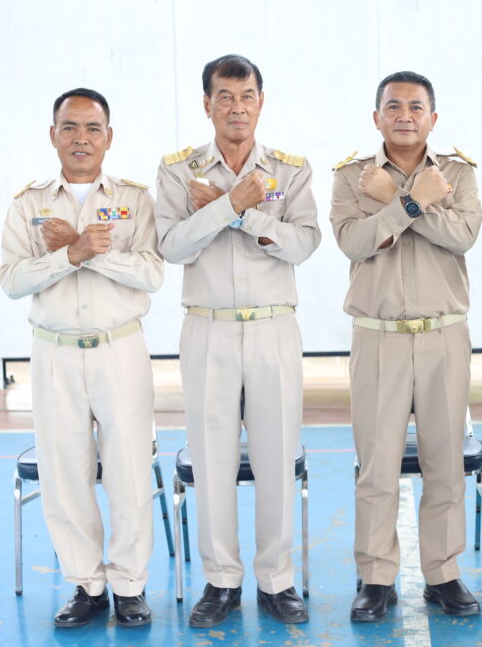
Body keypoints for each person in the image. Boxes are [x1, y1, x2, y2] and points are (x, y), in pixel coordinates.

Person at [155, 54, 319, 626]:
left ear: (261, 102)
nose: (237, 107)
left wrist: (239, 215)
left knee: (277, 456)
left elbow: (303, 244)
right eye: (224, 97)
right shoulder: (179, 171)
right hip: (209, 327)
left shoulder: (290, 170)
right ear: (207, 105)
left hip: (273, 326)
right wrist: (230, 204)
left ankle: (277, 580)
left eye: (247, 96)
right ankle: (221, 580)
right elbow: (171, 246)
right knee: (211, 459)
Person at [0, 88, 164, 628]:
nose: (81, 138)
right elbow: (11, 280)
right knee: (65, 474)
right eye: (69, 127)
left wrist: (91, 252)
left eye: (93, 128)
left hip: (120, 347)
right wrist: (70, 254)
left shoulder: (134, 199)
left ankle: (129, 586)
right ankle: (86, 585)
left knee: (129, 472)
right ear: (53, 135)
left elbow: (151, 273)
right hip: (56, 353)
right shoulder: (29, 204)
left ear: (109, 137)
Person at [330, 71, 482, 621]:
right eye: (393, 107)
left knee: (445, 462)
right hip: (380, 338)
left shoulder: (458, 173)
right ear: (377, 117)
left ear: (432, 118)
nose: (404, 116)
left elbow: (463, 236)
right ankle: (376, 578)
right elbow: (354, 242)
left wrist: (394, 203)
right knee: (377, 467)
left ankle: (443, 574)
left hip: (444, 335)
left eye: (416, 107)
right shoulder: (352, 176)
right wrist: (412, 202)